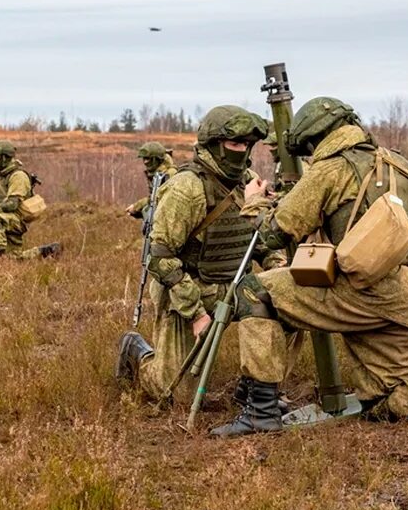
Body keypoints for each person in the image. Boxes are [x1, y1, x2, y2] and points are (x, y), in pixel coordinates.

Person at [193, 98, 408, 437]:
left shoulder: (332, 168)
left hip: (365, 292)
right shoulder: (401, 165)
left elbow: (272, 233)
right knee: (384, 397)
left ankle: (260, 411)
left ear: (314, 140)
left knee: (254, 290)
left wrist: (255, 201)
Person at [116, 105, 286, 403]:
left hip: (236, 286)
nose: (243, 150)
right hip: (189, 289)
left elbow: (258, 241)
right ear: (213, 144)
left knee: (288, 305)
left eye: (247, 144)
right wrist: (195, 314)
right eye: (235, 143)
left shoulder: (249, 181)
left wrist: (280, 269)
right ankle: (136, 351)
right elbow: (159, 258)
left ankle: (255, 386)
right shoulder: (187, 188)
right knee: (173, 395)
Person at [0, 141, 60, 259]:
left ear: (4, 157)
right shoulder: (3, 176)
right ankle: (47, 251)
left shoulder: (18, 176)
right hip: (10, 218)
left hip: (17, 219)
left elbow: (13, 204)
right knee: (15, 259)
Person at [125, 142, 177, 219]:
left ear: (157, 159)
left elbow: (162, 201)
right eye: (144, 158)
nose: (145, 162)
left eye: (148, 158)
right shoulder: (157, 174)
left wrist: (138, 206)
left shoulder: (169, 174)